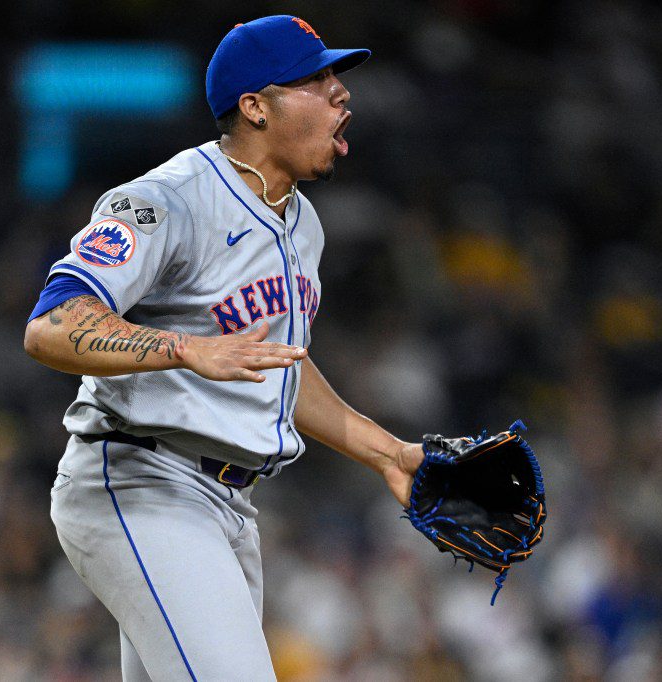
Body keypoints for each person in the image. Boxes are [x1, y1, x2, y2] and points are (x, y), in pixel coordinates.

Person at [23, 15, 423, 681]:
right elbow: (53, 325)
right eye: (317, 78)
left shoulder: (303, 224)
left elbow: (278, 366)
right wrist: (184, 348)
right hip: (141, 482)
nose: (340, 93)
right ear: (255, 107)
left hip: (230, 509)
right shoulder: (166, 201)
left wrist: (389, 452)